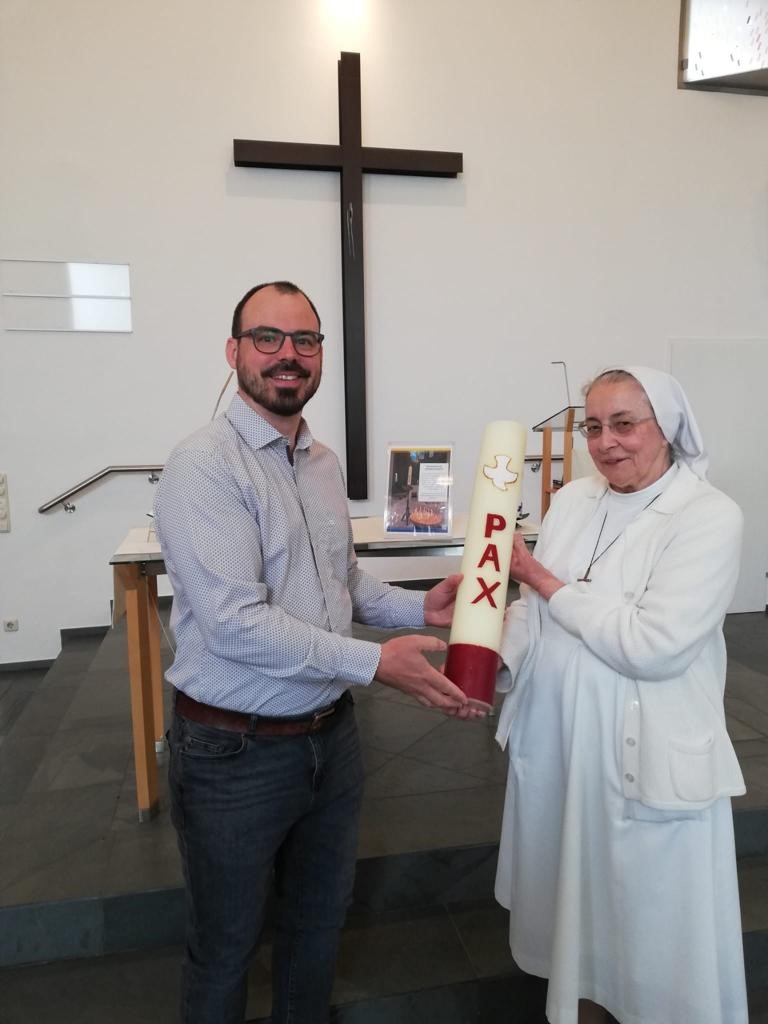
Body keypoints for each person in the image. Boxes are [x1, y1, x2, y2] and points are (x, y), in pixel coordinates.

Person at [153, 280, 474, 1024]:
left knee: (317, 927)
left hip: (330, 741)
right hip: (234, 753)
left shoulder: (320, 462)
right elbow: (235, 622)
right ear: (233, 352)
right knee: (226, 947)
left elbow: (340, 580)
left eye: (304, 340)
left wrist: (414, 608)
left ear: (321, 354)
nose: (287, 356)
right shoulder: (204, 463)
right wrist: (375, 664)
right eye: (267, 339)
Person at [493, 366, 748, 1024]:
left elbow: (652, 644)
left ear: (667, 429)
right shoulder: (575, 500)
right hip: (562, 746)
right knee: (577, 926)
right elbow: (531, 610)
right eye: (594, 426)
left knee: (648, 937)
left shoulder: (708, 516)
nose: (606, 442)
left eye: (624, 424)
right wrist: (489, 665)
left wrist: (546, 582)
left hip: (641, 753)